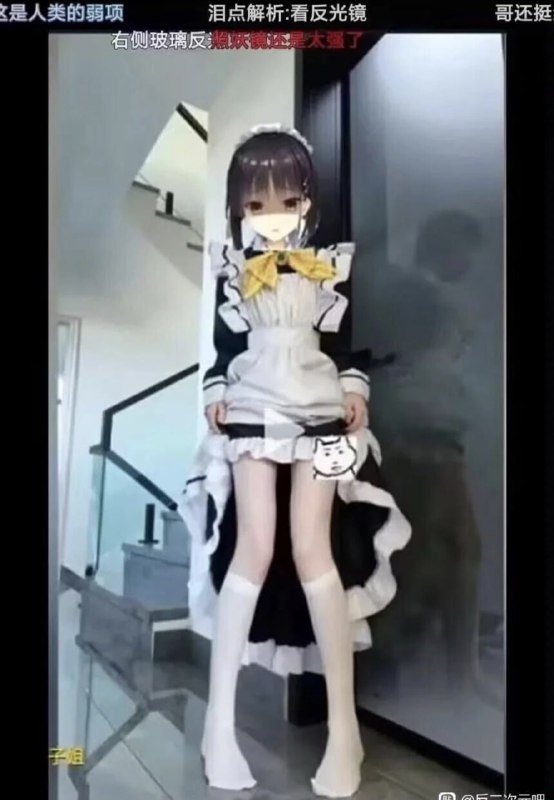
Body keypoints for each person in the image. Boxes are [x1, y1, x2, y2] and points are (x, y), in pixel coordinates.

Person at [180, 124, 411, 797]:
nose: (273, 215)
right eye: (256, 203)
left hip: (320, 409)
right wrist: (215, 394)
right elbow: (224, 350)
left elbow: (345, 347)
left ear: (307, 199)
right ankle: (219, 726)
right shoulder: (233, 267)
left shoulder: (331, 265)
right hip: (252, 405)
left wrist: (354, 390)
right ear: (238, 207)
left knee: (316, 551)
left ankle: (344, 731)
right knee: (253, 547)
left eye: (287, 199)